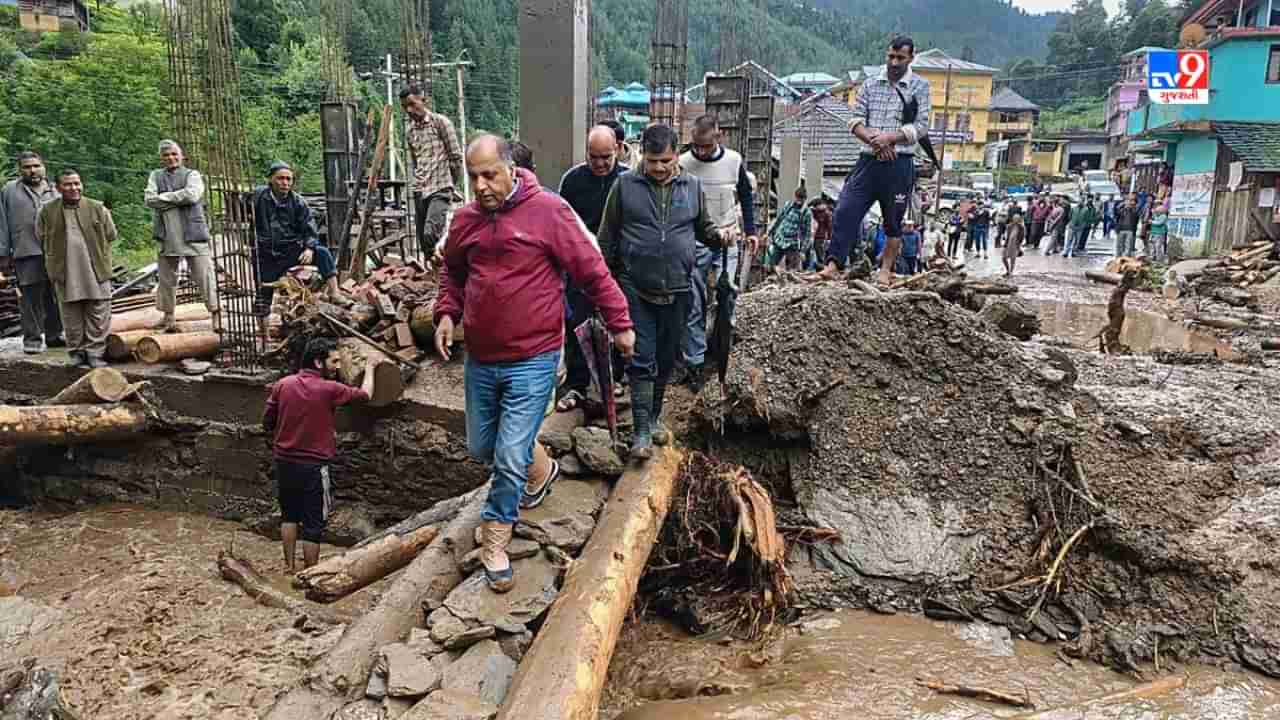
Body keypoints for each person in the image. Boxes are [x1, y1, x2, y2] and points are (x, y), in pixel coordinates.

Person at [434, 135, 633, 593]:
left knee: (507, 455)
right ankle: (542, 469)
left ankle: (497, 539)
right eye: (473, 177)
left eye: (489, 175)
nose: (481, 186)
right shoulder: (465, 221)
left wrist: (619, 322)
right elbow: (453, 271)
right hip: (482, 357)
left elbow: (591, 269)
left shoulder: (549, 212)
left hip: (535, 356)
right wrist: (447, 312)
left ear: (511, 170)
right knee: (483, 446)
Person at [598, 123, 728, 461]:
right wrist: (606, 285)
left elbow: (704, 228)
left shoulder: (692, 185)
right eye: (652, 160)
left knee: (667, 357)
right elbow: (607, 237)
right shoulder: (625, 185)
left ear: (676, 157)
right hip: (635, 285)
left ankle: (654, 416)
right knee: (642, 358)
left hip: (680, 287)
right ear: (643, 153)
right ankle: (640, 430)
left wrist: (721, 236)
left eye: (665, 161)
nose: (658, 168)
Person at [819, 36, 931, 285]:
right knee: (845, 209)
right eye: (890, 56)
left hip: (900, 163)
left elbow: (921, 126)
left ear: (911, 57)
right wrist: (876, 143)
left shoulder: (920, 87)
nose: (894, 62)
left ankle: (885, 269)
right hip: (868, 160)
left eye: (900, 57)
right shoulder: (870, 85)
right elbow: (855, 120)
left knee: (893, 221)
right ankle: (833, 264)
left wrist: (890, 138)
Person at [263, 337, 373, 570]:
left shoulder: (282, 384)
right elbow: (364, 397)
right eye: (333, 361)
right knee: (314, 523)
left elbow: (267, 421)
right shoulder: (329, 389)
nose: (337, 366)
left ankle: (289, 567)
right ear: (318, 362)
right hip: (314, 467)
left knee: (289, 515)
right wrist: (372, 370)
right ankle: (311, 573)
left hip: (284, 463)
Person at [678, 114, 758, 392]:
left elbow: (746, 196)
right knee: (694, 301)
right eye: (696, 146)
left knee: (727, 294)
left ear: (719, 136)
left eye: (706, 145)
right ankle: (695, 361)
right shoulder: (683, 163)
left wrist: (751, 230)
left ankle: (723, 349)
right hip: (696, 239)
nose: (700, 151)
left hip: (728, 238)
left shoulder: (733, 161)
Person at [556, 125, 631, 412]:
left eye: (606, 157)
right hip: (579, 265)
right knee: (577, 322)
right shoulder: (573, 180)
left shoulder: (627, 181)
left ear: (619, 150)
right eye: (593, 156)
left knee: (616, 322)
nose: (599, 164)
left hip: (616, 264)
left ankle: (614, 378)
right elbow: (562, 222)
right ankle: (577, 383)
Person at [36, 168, 116, 368]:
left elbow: (111, 234)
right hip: (65, 270)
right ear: (58, 188)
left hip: (95, 268)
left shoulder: (97, 208)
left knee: (98, 312)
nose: (74, 188)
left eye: (77, 183)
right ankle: (77, 352)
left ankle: (95, 353)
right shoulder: (47, 211)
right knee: (70, 313)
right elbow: (40, 236)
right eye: (68, 184)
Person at [144, 140, 220, 333]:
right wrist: (178, 198)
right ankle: (168, 317)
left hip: (192, 234)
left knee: (205, 276)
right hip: (166, 235)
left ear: (181, 155)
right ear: (161, 158)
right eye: (166, 155)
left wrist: (164, 198)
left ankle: (216, 315)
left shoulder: (192, 174)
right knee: (166, 279)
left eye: (174, 154)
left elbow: (193, 195)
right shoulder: (155, 175)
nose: (170, 158)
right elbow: (149, 199)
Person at [253, 162, 340, 329]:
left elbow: (310, 229)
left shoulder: (298, 202)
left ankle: (335, 293)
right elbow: (242, 210)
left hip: (291, 249)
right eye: (280, 178)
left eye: (288, 179)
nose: (285, 182)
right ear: (271, 180)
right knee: (263, 294)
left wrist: (309, 248)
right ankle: (264, 336)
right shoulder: (259, 197)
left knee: (321, 252)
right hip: (266, 254)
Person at [0, 151, 62, 355]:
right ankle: (32, 340)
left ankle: (55, 335)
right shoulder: (9, 190)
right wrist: (3, 253)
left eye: (36, 166)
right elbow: (2, 223)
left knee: (56, 296)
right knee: (30, 298)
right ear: (20, 170)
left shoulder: (57, 190)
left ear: (44, 166)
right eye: (27, 167)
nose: (32, 170)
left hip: (55, 253)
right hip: (25, 251)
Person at [401, 84, 464, 259]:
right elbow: (416, 161)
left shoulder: (440, 123)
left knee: (431, 232)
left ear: (423, 100)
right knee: (423, 240)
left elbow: (455, 157)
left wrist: (451, 184)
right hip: (420, 189)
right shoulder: (410, 131)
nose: (409, 110)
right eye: (405, 107)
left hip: (441, 186)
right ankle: (434, 278)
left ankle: (451, 270)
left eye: (412, 104)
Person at [764, 186, 812, 274]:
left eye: (801, 199)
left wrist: (803, 251)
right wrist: (768, 233)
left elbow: (807, 234)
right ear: (795, 196)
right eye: (798, 198)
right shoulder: (788, 205)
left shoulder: (806, 213)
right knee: (771, 265)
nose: (799, 201)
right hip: (780, 239)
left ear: (805, 199)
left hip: (792, 244)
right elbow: (779, 219)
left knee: (792, 270)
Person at [809, 195, 833, 270]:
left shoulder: (826, 213)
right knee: (812, 255)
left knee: (820, 256)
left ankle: (822, 270)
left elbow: (829, 227)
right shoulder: (814, 211)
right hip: (813, 236)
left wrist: (829, 238)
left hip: (820, 237)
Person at [1114, 192, 1140, 258]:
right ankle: (1118, 259)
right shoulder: (1121, 208)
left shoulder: (1135, 209)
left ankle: (1126, 259)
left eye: (1131, 200)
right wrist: (1123, 206)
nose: (1129, 202)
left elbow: (1136, 217)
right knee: (1119, 246)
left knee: (1128, 247)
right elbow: (1116, 213)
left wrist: (1132, 207)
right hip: (1121, 229)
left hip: (1130, 230)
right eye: (1128, 200)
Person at [1002, 213, 1024, 278]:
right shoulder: (1009, 226)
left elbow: (1021, 238)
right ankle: (1007, 270)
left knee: (1013, 259)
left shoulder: (1021, 227)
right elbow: (1006, 235)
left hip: (1015, 244)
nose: (1016, 220)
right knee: (1003, 258)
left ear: (1019, 219)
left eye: (1017, 219)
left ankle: (1011, 272)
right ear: (1013, 219)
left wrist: (1019, 247)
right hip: (1008, 243)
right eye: (1015, 218)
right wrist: (1004, 243)